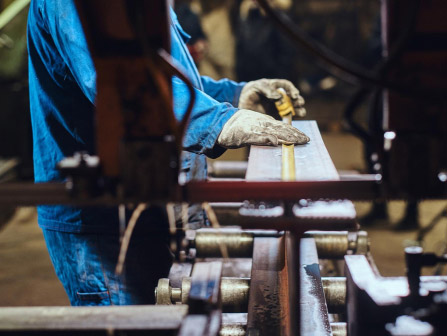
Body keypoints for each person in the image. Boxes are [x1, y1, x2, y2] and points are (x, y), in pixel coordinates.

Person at [27, 0, 309, 306]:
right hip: (102, 221)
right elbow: (120, 87)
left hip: (149, 204)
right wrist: (218, 121)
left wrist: (234, 96)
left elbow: (165, 76)